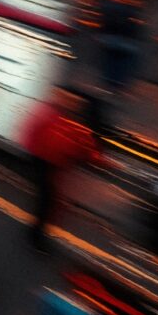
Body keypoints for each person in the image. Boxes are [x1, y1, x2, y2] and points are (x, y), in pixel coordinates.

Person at [22, 88, 100, 251]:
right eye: (72, 101)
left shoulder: (53, 113)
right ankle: (36, 236)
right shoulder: (56, 117)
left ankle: (36, 231)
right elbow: (67, 145)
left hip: (43, 160)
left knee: (46, 200)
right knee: (47, 200)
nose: (75, 105)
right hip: (45, 162)